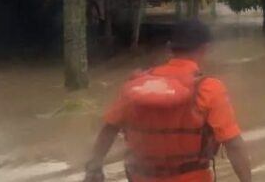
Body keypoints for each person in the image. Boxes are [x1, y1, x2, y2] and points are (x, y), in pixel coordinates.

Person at [84, 20, 252, 182]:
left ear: (169, 48)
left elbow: (109, 129)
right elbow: (234, 145)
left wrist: (95, 165)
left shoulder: (136, 85)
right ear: (205, 48)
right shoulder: (209, 88)